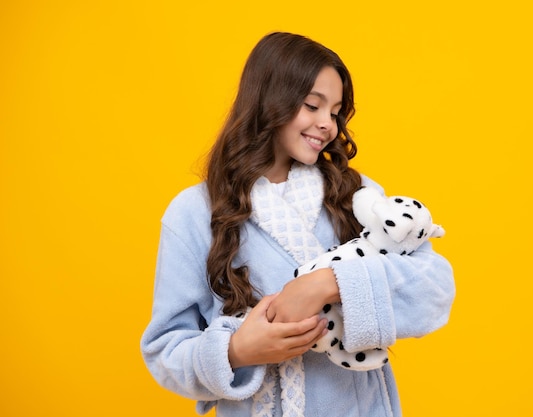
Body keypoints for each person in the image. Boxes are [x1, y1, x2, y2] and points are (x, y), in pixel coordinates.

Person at [140, 32, 455, 417]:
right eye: (312, 105)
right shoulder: (194, 213)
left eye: (336, 111)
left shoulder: (356, 195)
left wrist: (329, 283)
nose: (328, 124)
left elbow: (435, 286)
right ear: (268, 101)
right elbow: (165, 350)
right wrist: (238, 350)